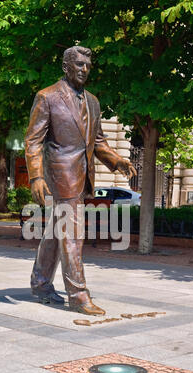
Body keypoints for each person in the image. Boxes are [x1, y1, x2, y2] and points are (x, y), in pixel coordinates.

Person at [25, 46, 136, 316]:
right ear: (66, 67)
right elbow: (33, 141)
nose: (84, 69)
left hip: (83, 175)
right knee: (73, 233)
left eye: (88, 65)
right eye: (79, 64)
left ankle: (40, 284)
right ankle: (77, 295)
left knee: (55, 229)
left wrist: (116, 160)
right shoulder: (47, 97)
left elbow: (98, 141)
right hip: (60, 174)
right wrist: (36, 176)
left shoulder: (93, 102)